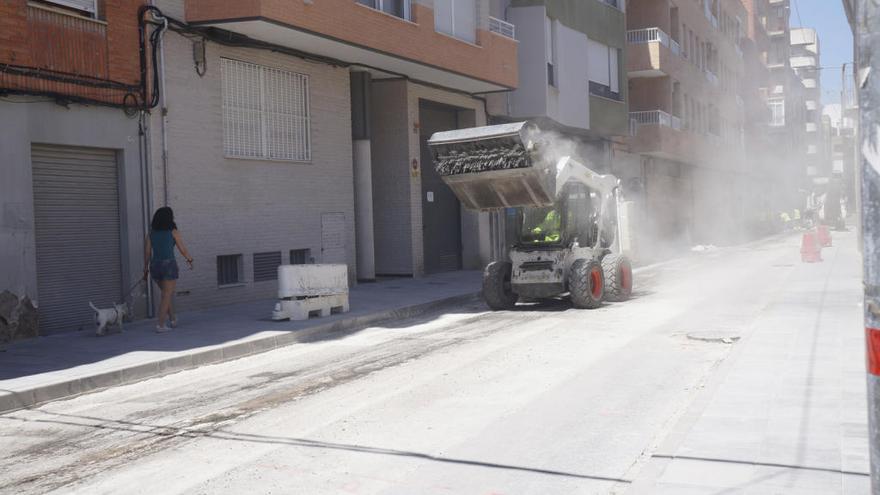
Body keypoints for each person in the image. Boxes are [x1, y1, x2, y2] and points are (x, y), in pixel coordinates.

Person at [144, 207, 193, 333]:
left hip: (155, 266)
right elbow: (182, 249)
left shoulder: (151, 233)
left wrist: (145, 269)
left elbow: (147, 252)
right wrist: (190, 259)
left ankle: (172, 319)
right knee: (166, 295)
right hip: (168, 265)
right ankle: (160, 325)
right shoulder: (173, 231)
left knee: (166, 293)